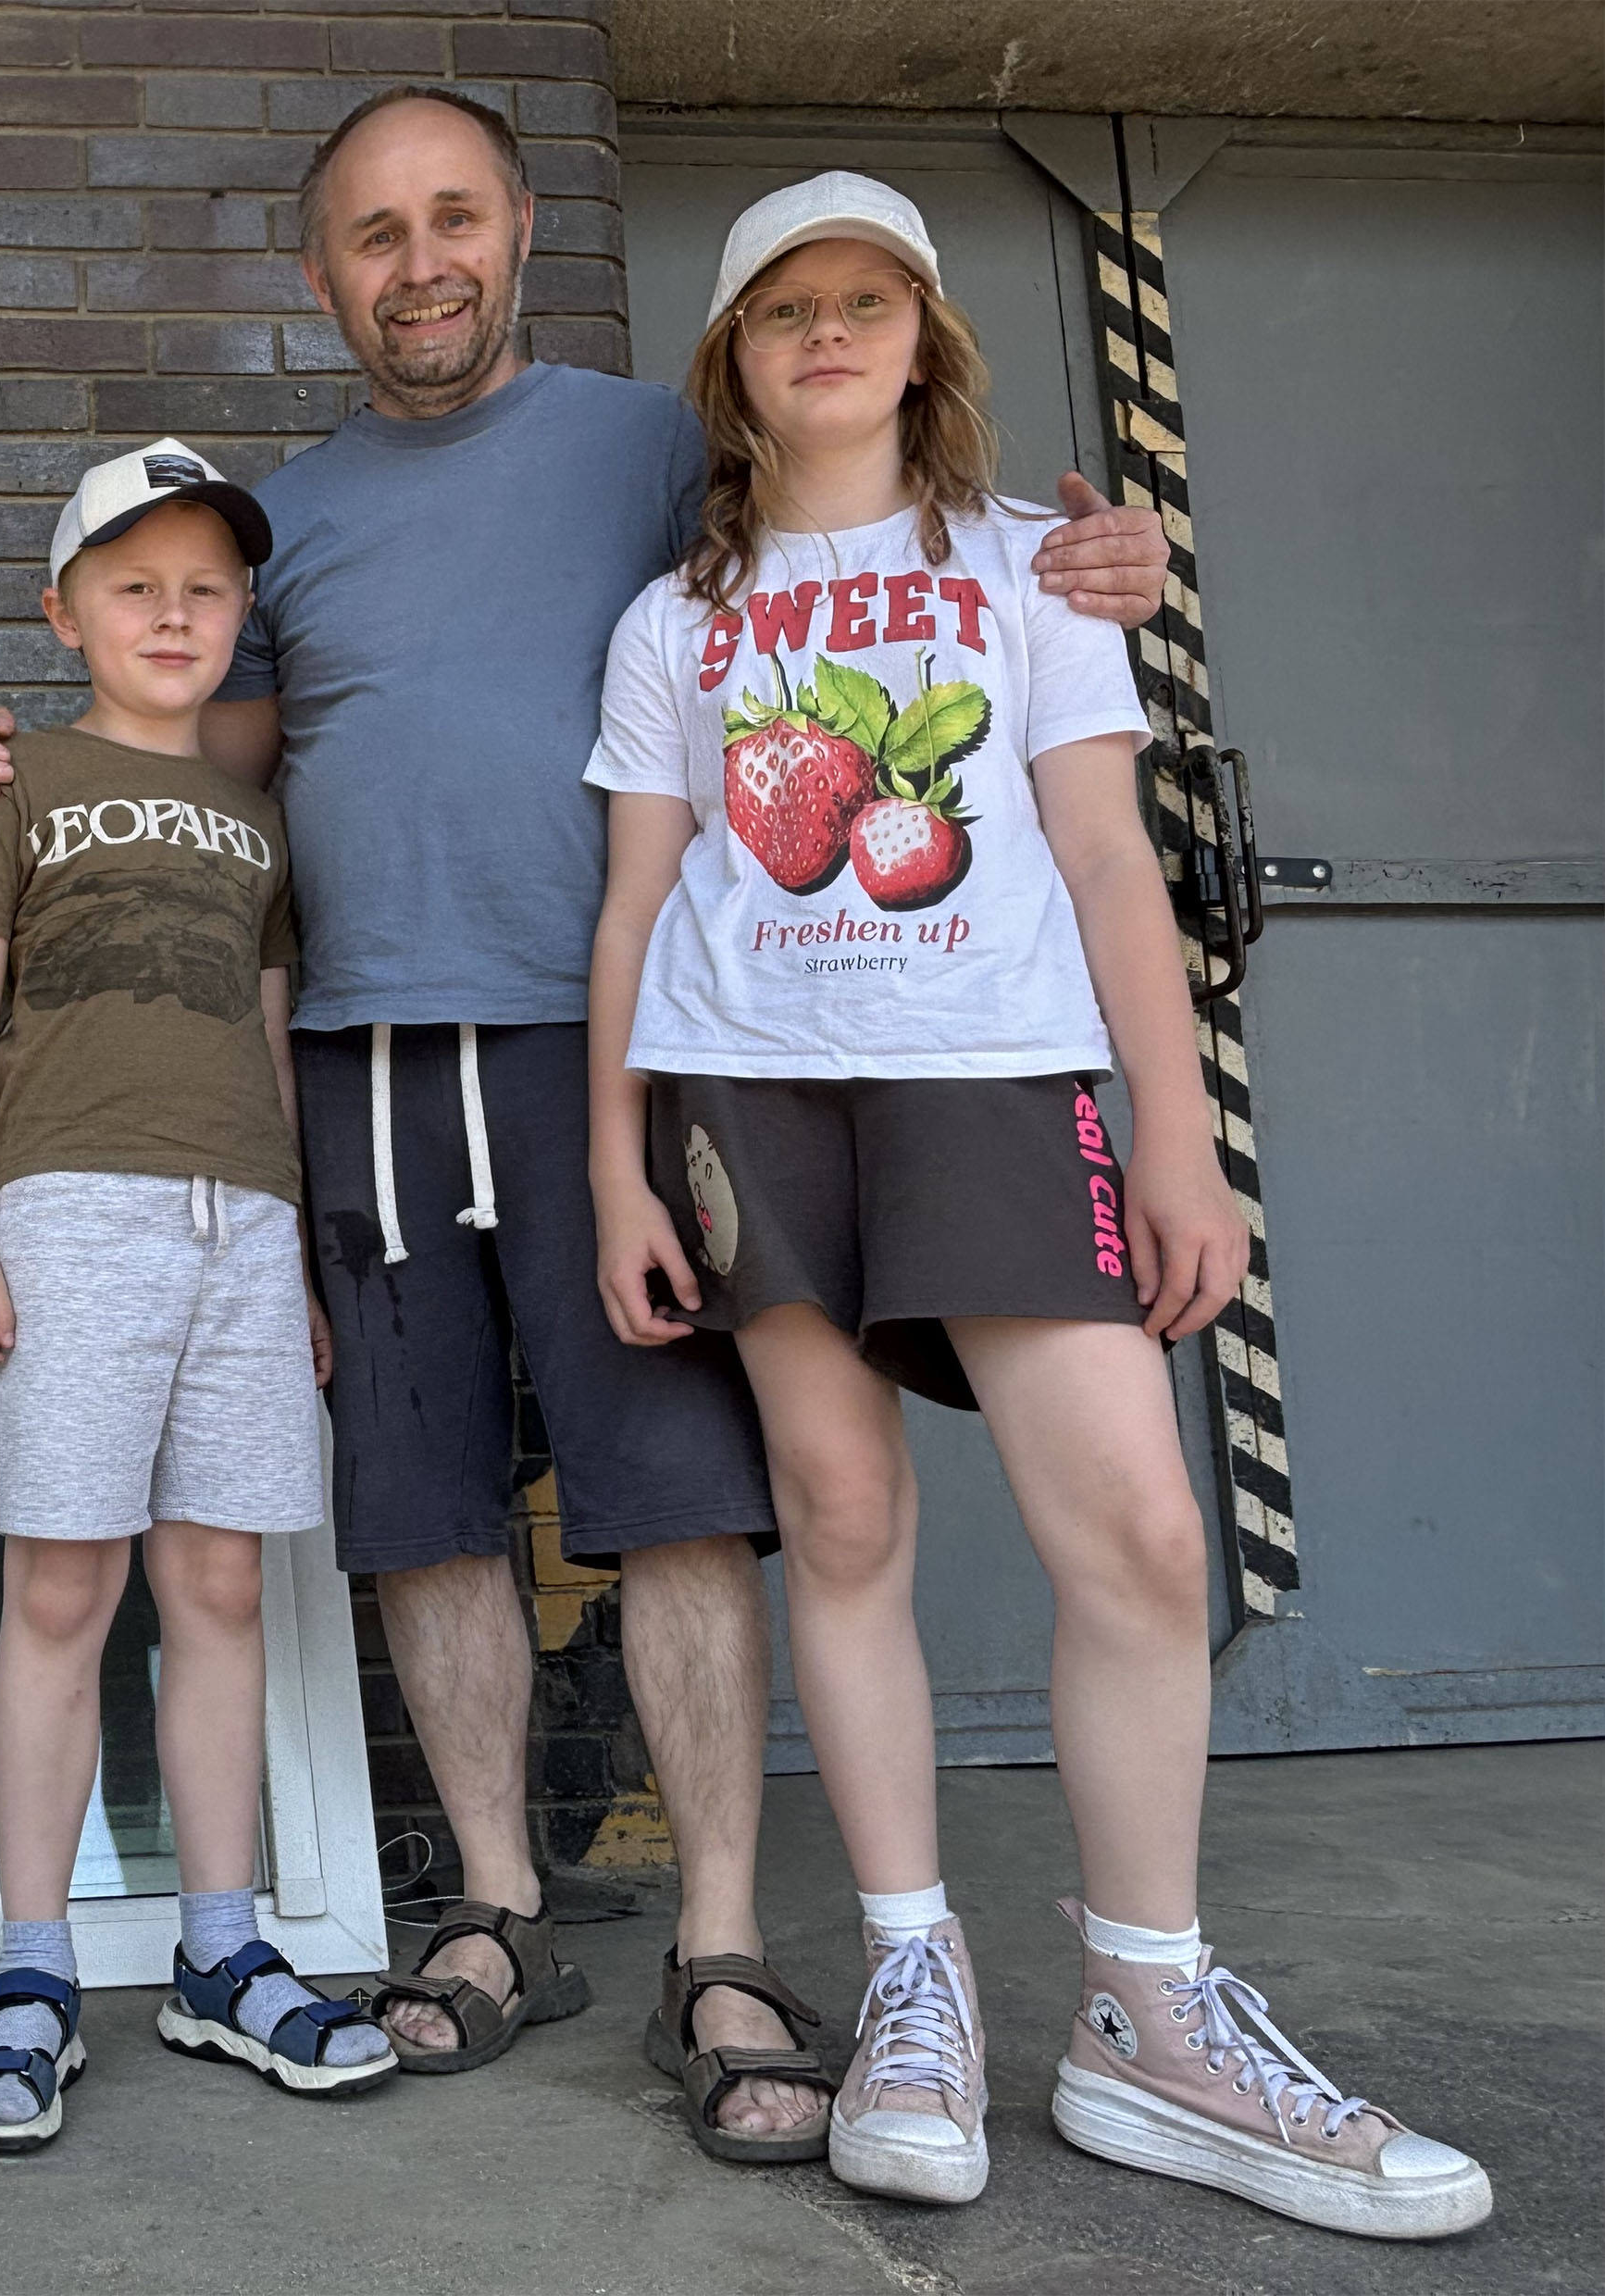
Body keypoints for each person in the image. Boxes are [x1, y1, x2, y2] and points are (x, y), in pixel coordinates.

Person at [0, 88, 1175, 2160]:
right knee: (424, 1505)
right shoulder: (283, 522)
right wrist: (9, 763)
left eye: (452, 218)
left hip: (631, 1050)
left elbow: (858, 497)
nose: (418, 264)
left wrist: (1090, 552)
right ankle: (496, 1910)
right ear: (319, 274)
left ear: (517, 229)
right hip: (359, 1052)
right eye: (372, 234)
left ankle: (721, 1938)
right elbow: (195, 746)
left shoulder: (647, 446)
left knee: (678, 1489)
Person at [583, 169, 1491, 2238]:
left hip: (997, 1079)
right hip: (748, 1085)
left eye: (866, 301)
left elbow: (1100, 860)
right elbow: (636, 904)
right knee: (840, 1518)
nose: (827, 335)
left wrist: (1177, 1133)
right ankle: (914, 1976)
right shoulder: (672, 621)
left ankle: (1148, 2014)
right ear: (730, 362)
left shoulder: (1030, 569)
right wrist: (614, 1161)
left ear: (925, 340)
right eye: (785, 308)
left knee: (1144, 1534)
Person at [0, 440, 398, 2152]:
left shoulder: (259, 823)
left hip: (242, 1232)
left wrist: (298, 1251)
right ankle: (31, 1970)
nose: (173, 615)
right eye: (134, 587)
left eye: (205, 588)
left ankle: (219, 1949)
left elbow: (267, 1042)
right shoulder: (15, 782)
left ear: (243, 612)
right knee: (63, 1588)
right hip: (71, 1219)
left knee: (219, 1583)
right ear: (67, 616)